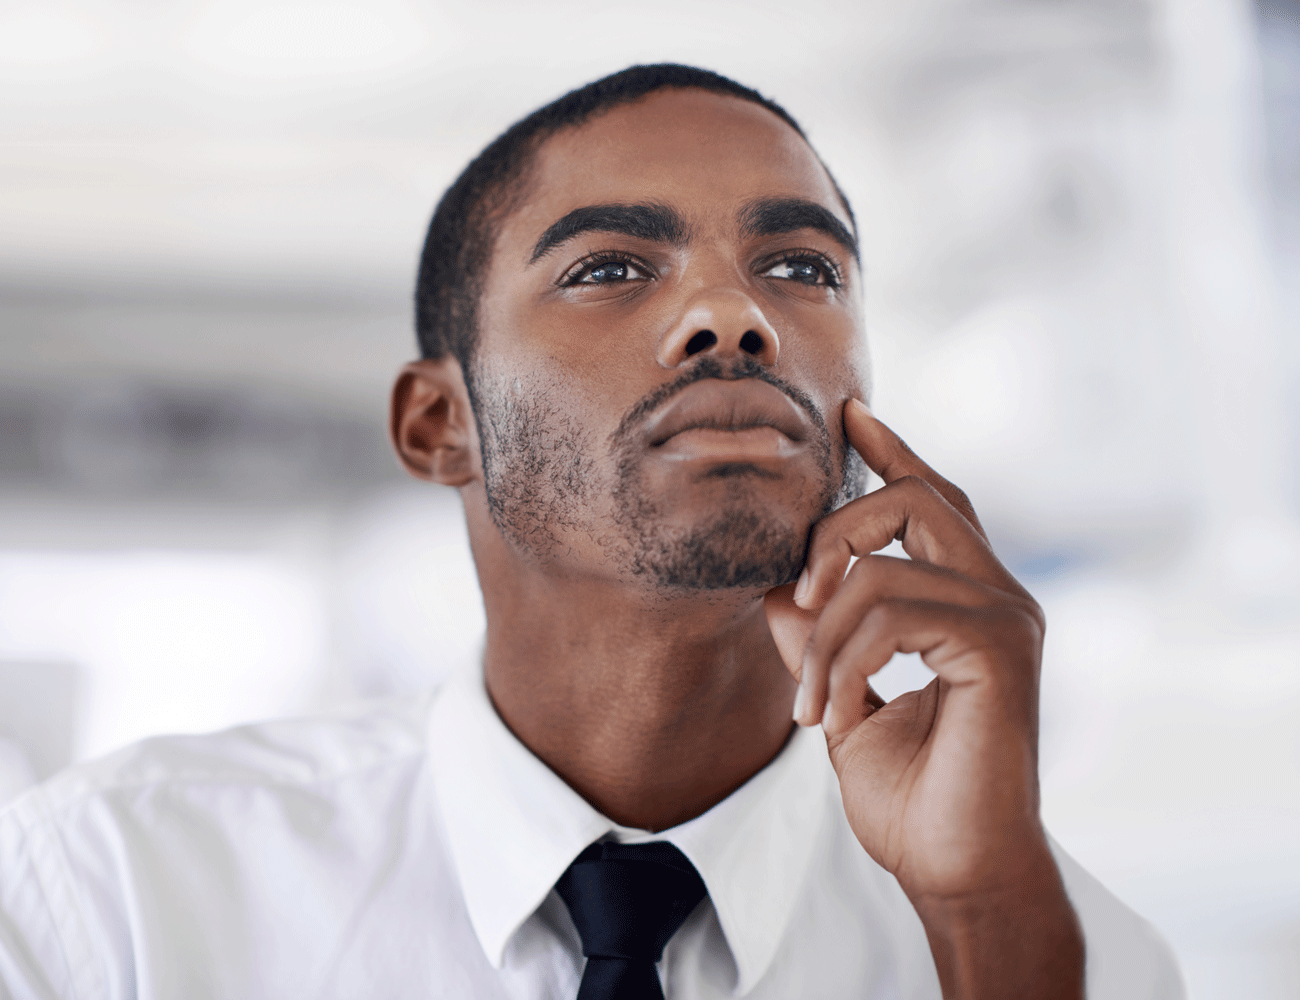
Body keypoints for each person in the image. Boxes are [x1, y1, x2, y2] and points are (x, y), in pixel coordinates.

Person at [0, 65, 1182, 999]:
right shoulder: (108, 899)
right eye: (611, 266)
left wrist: (984, 923)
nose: (737, 314)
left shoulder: (1061, 953)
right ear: (437, 424)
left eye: (801, 266)